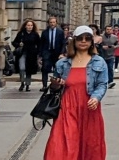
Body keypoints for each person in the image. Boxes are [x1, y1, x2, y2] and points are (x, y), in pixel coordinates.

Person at [43, 26, 109, 160]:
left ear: (91, 41)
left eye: (87, 38)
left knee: (90, 145)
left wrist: (96, 98)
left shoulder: (99, 62)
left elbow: (102, 84)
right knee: (59, 145)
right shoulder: (62, 63)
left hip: (89, 107)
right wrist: (56, 84)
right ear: (74, 41)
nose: (83, 41)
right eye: (80, 38)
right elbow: (54, 88)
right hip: (66, 107)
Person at [11, 19, 42, 92]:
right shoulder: (21, 34)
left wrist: (38, 53)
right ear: (25, 26)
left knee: (29, 70)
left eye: (31, 25)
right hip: (22, 53)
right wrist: (19, 44)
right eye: (28, 25)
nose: (30, 27)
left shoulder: (35, 34)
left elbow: (39, 44)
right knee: (21, 68)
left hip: (31, 55)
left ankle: (27, 85)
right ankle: (22, 82)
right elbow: (14, 42)